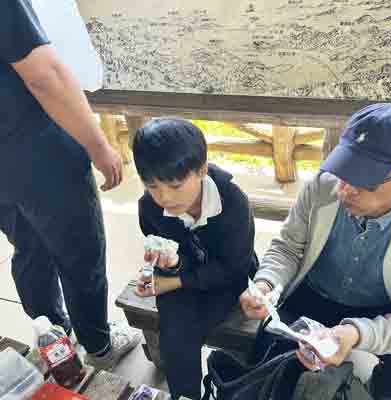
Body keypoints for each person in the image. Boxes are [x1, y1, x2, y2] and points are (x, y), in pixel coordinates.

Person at [240, 103, 391, 400]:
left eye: (367, 181)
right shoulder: (323, 186)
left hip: (384, 310)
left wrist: (355, 333)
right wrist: (267, 283)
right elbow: (288, 248)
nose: (345, 190)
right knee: (272, 366)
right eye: (345, 170)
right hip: (312, 297)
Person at [0, 0, 141, 370]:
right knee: (79, 251)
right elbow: (44, 75)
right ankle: (99, 346)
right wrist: (98, 145)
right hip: (36, 147)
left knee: (28, 246)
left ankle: (54, 338)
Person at [133, 118, 258, 400]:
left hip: (229, 276)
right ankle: (186, 395)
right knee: (174, 328)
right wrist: (169, 263)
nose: (164, 197)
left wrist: (176, 281)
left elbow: (234, 268)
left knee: (183, 328)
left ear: (202, 170)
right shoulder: (149, 206)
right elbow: (174, 254)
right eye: (152, 186)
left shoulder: (232, 202)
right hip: (185, 273)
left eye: (175, 186)